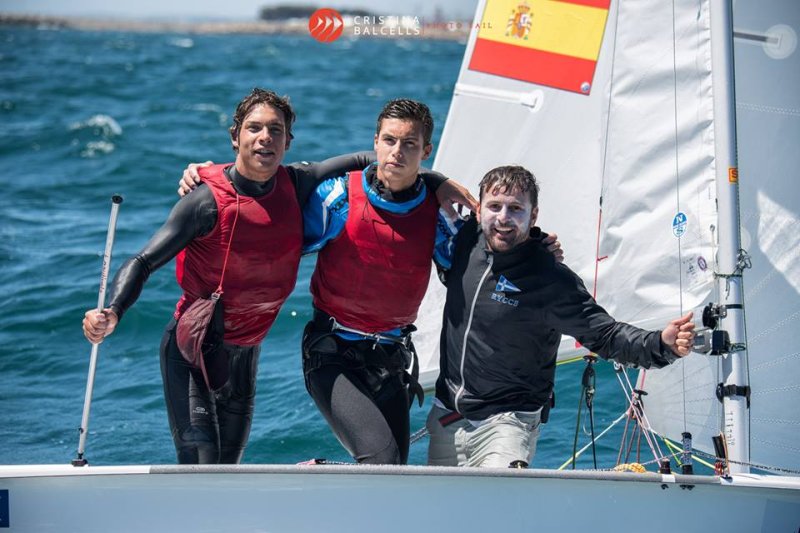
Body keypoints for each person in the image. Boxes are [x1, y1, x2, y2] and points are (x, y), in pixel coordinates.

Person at [81, 88, 453, 465]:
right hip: (194, 350)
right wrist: (113, 310)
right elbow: (143, 261)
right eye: (254, 128)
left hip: (247, 356)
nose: (265, 137)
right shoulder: (206, 201)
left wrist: (439, 182)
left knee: (227, 469)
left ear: (288, 141)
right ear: (235, 136)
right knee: (202, 464)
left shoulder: (297, 183)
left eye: (275, 130)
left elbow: (372, 160)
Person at [175, 98, 487, 465]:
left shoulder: (439, 213)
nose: (397, 152)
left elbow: (478, 274)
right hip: (332, 354)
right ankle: (319, 474)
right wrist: (212, 178)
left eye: (410, 144)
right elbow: (265, 211)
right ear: (375, 142)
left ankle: (325, 478)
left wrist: (531, 251)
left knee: (393, 471)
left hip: (392, 360)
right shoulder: (337, 199)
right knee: (383, 462)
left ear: (426, 151)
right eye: (389, 140)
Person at [426, 165, 696, 468]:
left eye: (515, 209)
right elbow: (398, 179)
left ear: (533, 215)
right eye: (494, 206)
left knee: (500, 494)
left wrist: (661, 344)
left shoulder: (549, 278)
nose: (503, 217)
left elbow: (605, 334)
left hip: (506, 424)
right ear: (478, 210)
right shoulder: (464, 242)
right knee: (443, 501)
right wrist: (439, 181)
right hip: (447, 418)